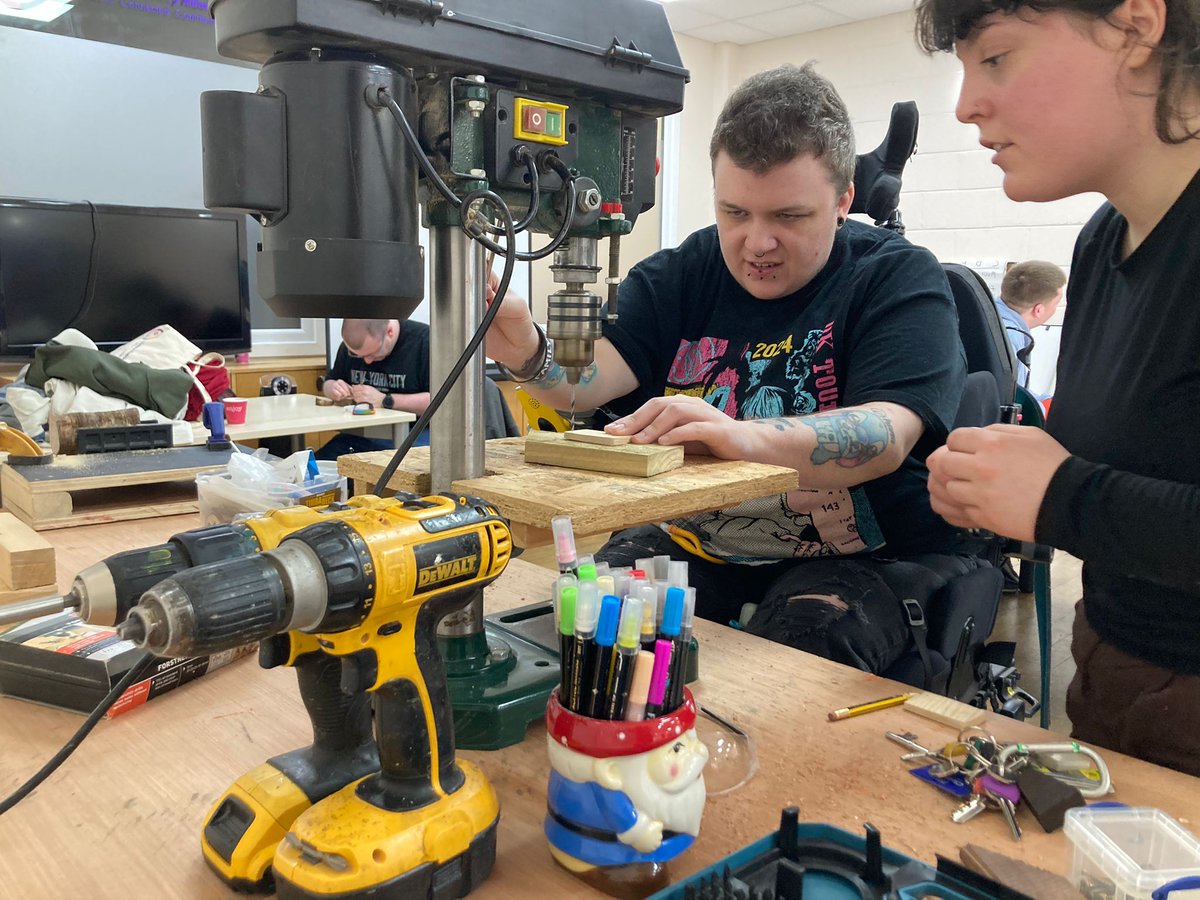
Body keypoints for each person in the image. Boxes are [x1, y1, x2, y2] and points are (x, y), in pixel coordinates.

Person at [487, 63, 980, 676]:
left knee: (789, 662)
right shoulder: (685, 273)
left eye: (789, 216)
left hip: (868, 556)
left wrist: (738, 436)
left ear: (845, 198)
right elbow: (585, 381)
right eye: (735, 212)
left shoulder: (895, 278)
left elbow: (884, 436)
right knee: (589, 632)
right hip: (700, 541)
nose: (756, 243)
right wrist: (526, 348)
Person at [916, 0, 1200, 775]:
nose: (968, 102)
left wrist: (1060, 494)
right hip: (1112, 674)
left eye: (997, 56)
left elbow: (1082, 493)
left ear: (1137, 26)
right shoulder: (1104, 239)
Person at [316, 318, 431, 459]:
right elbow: (329, 381)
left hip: (415, 433)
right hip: (362, 434)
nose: (367, 361)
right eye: (358, 355)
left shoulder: (424, 342)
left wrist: (385, 400)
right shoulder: (353, 345)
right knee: (317, 468)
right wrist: (332, 388)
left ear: (389, 332)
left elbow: (438, 400)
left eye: (372, 353)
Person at [995, 260, 1066, 389]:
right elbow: (1015, 399)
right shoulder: (1010, 338)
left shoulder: (985, 316)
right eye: (1056, 303)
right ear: (1038, 310)